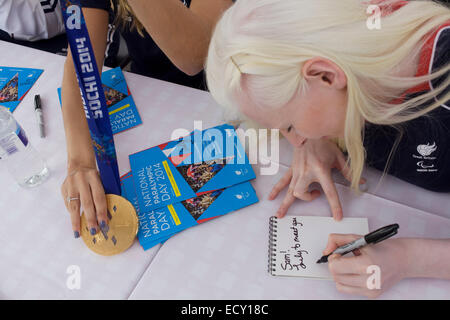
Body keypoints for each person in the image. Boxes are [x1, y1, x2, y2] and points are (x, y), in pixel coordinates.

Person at [205, 0, 450, 297]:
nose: (295, 142)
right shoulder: (345, 39)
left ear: (326, 75)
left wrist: (408, 258)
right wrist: (319, 140)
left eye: (291, 126)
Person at [60, 0, 234, 239]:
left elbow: (195, 55)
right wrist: (80, 162)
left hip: (219, 104)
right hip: (153, 105)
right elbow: (80, 65)